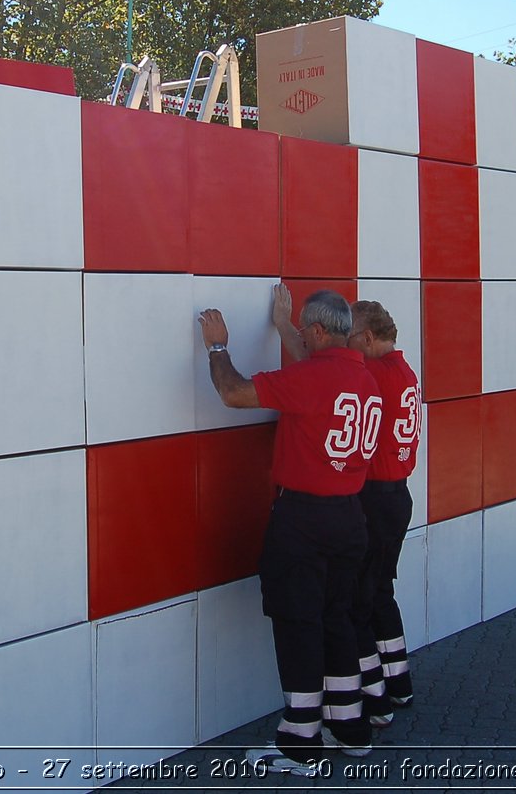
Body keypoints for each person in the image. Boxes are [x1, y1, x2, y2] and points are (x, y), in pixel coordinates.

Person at [199, 288, 380, 773]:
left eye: (303, 330)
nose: (300, 336)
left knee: (299, 623)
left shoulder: (313, 379)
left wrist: (218, 346)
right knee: (338, 618)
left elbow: (234, 393)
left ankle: (301, 742)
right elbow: (316, 370)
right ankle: (351, 727)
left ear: (318, 332)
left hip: (305, 521)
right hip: (350, 517)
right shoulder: (365, 379)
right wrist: (284, 325)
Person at [275, 291, 419, 727]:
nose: (342, 345)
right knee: (377, 595)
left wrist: (284, 325)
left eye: (349, 336)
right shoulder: (403, 370)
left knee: (355, 604)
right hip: (396, 496)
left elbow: (319, 369)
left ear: (369, 338)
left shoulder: (372, 372)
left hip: (374, 499)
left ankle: (373, 699)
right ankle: (396, 685)